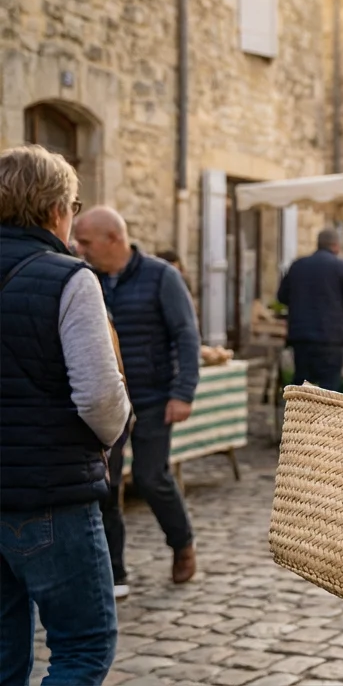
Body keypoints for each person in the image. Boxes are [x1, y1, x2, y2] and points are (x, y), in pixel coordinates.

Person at [0, 146, 130, 685]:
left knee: (3, 658)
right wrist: (115, 431)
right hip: (49, 493)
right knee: (83, 648)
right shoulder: (70, 279)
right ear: (58, 209)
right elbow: (100, 398)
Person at [74, 206, 201, 589]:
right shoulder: (85, 279)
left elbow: (186, 335)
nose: (78, 249)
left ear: (113, 238)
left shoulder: (161, 276)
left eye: (85, 241)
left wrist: (183, 393)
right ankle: (114, 573)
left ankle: (182, 544)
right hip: (107, 399)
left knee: (150, 477)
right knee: (106, 485)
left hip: (153, 397)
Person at [277, 229, 343, 391]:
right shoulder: (342, 267)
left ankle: (297, 416)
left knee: (302, 385)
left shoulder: (298, 265)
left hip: (301, 336)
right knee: (329, 387)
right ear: (336, 246)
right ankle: (324, 417)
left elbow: (282, 297)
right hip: (330, 337)